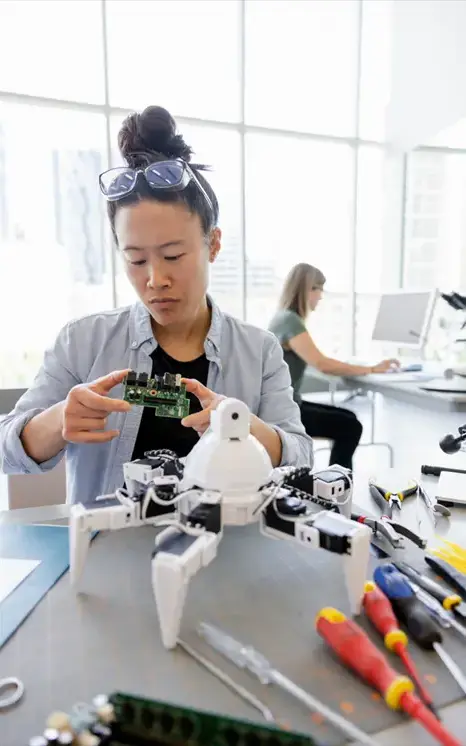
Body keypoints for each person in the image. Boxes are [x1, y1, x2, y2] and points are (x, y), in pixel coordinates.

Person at [0, 106, 312, 506]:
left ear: (213, 244)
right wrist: (57, 420)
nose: (155, 279)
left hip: (224, 549)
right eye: (136, 259)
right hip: (107, 547)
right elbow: (8, 450)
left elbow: (301, 457)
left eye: (173, 255)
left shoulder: (259, 350)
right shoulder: (84, 341)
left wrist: (241, 427)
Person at [268, 263, 399, 470]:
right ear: (306, 289)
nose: (321, 295)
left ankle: (335, 483)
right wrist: (373, 369)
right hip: (285, 411)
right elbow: (322, 364)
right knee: (350, 427)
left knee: (350, 419)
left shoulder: (284, 318)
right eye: (318, 288)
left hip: (285, 404)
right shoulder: (290, 321)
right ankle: (335, 487)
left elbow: (316, 360)